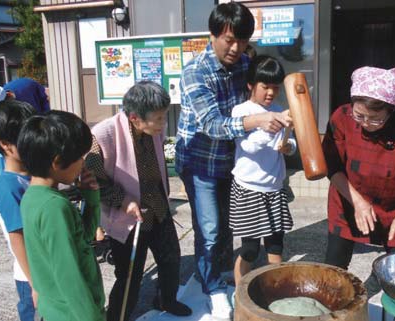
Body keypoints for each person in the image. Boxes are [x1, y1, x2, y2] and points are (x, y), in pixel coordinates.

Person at [176, 3, 291, 319]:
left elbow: (262, 89)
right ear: (213, 34)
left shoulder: (245, 63)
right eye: (229, 40)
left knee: (229, 226)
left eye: (243, 41)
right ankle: (212, 288)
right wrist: (258, 121)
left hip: (233, 162)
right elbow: (213, 125)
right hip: (200, 160)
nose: (236, 48)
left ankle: (222, 273)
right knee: (210, 230)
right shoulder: (194, 72)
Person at [86, 82, 191, 321]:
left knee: (170, 258)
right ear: (134, 117)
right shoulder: (103, 135)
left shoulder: (153, 130)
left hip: (157, 208)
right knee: (130, 275)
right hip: (127, 216)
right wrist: (123, 200)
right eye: (160, 118)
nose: (164, 123)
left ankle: (167, 299)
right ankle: (117, 317)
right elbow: (93, 181)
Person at [322, 66, 395, 297]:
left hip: (391, 205)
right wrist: (358, 202)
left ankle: (385, 292)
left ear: (391, 110)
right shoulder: (342, 116)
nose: (365, 123)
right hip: (348, 198)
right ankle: (332, 306)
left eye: (375, 119)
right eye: (359, 115)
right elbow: (333, 166)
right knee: (334, 266)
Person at [17, 110, 105, 321]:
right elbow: (69, 277)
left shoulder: (33, 196)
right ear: (57, 162)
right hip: (73, 315)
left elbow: (83, 237)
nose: (83, 163)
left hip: (58, 310)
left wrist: (91, 197)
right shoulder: (54, 207)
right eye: (79, 158)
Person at [229, 56, 296, 287]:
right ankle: (240, 292)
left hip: (274, 189)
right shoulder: (241, 110)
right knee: (249, 250)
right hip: (249, 190)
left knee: (276, 246)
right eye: (265, 86)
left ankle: (274, 292)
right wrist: (267, 127)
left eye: (275, 88)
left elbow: (289, 143)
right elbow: (247, 146)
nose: (270, 92)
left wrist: (289, 146)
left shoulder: (278, 110)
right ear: (251, 84)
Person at [0, 100, 37, 321]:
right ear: (5, 144)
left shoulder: (31, 175)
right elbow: (18, 239)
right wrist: (35, 284)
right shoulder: (8, 187)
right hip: (30, 276)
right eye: (28, 136)